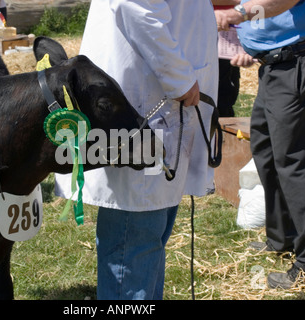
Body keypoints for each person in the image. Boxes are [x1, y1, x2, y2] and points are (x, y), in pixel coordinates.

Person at [55, 0, 218, 299]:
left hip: (167, 104)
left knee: (150, 237)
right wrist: (179, 76)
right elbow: (135, 5)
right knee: (135, 239)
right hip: (147, 100)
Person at [216, 0, 305, 289]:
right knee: (267, 152)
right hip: (277, 64)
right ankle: (284, 237)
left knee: (298, 161)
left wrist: (238, 14)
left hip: (296, 62)